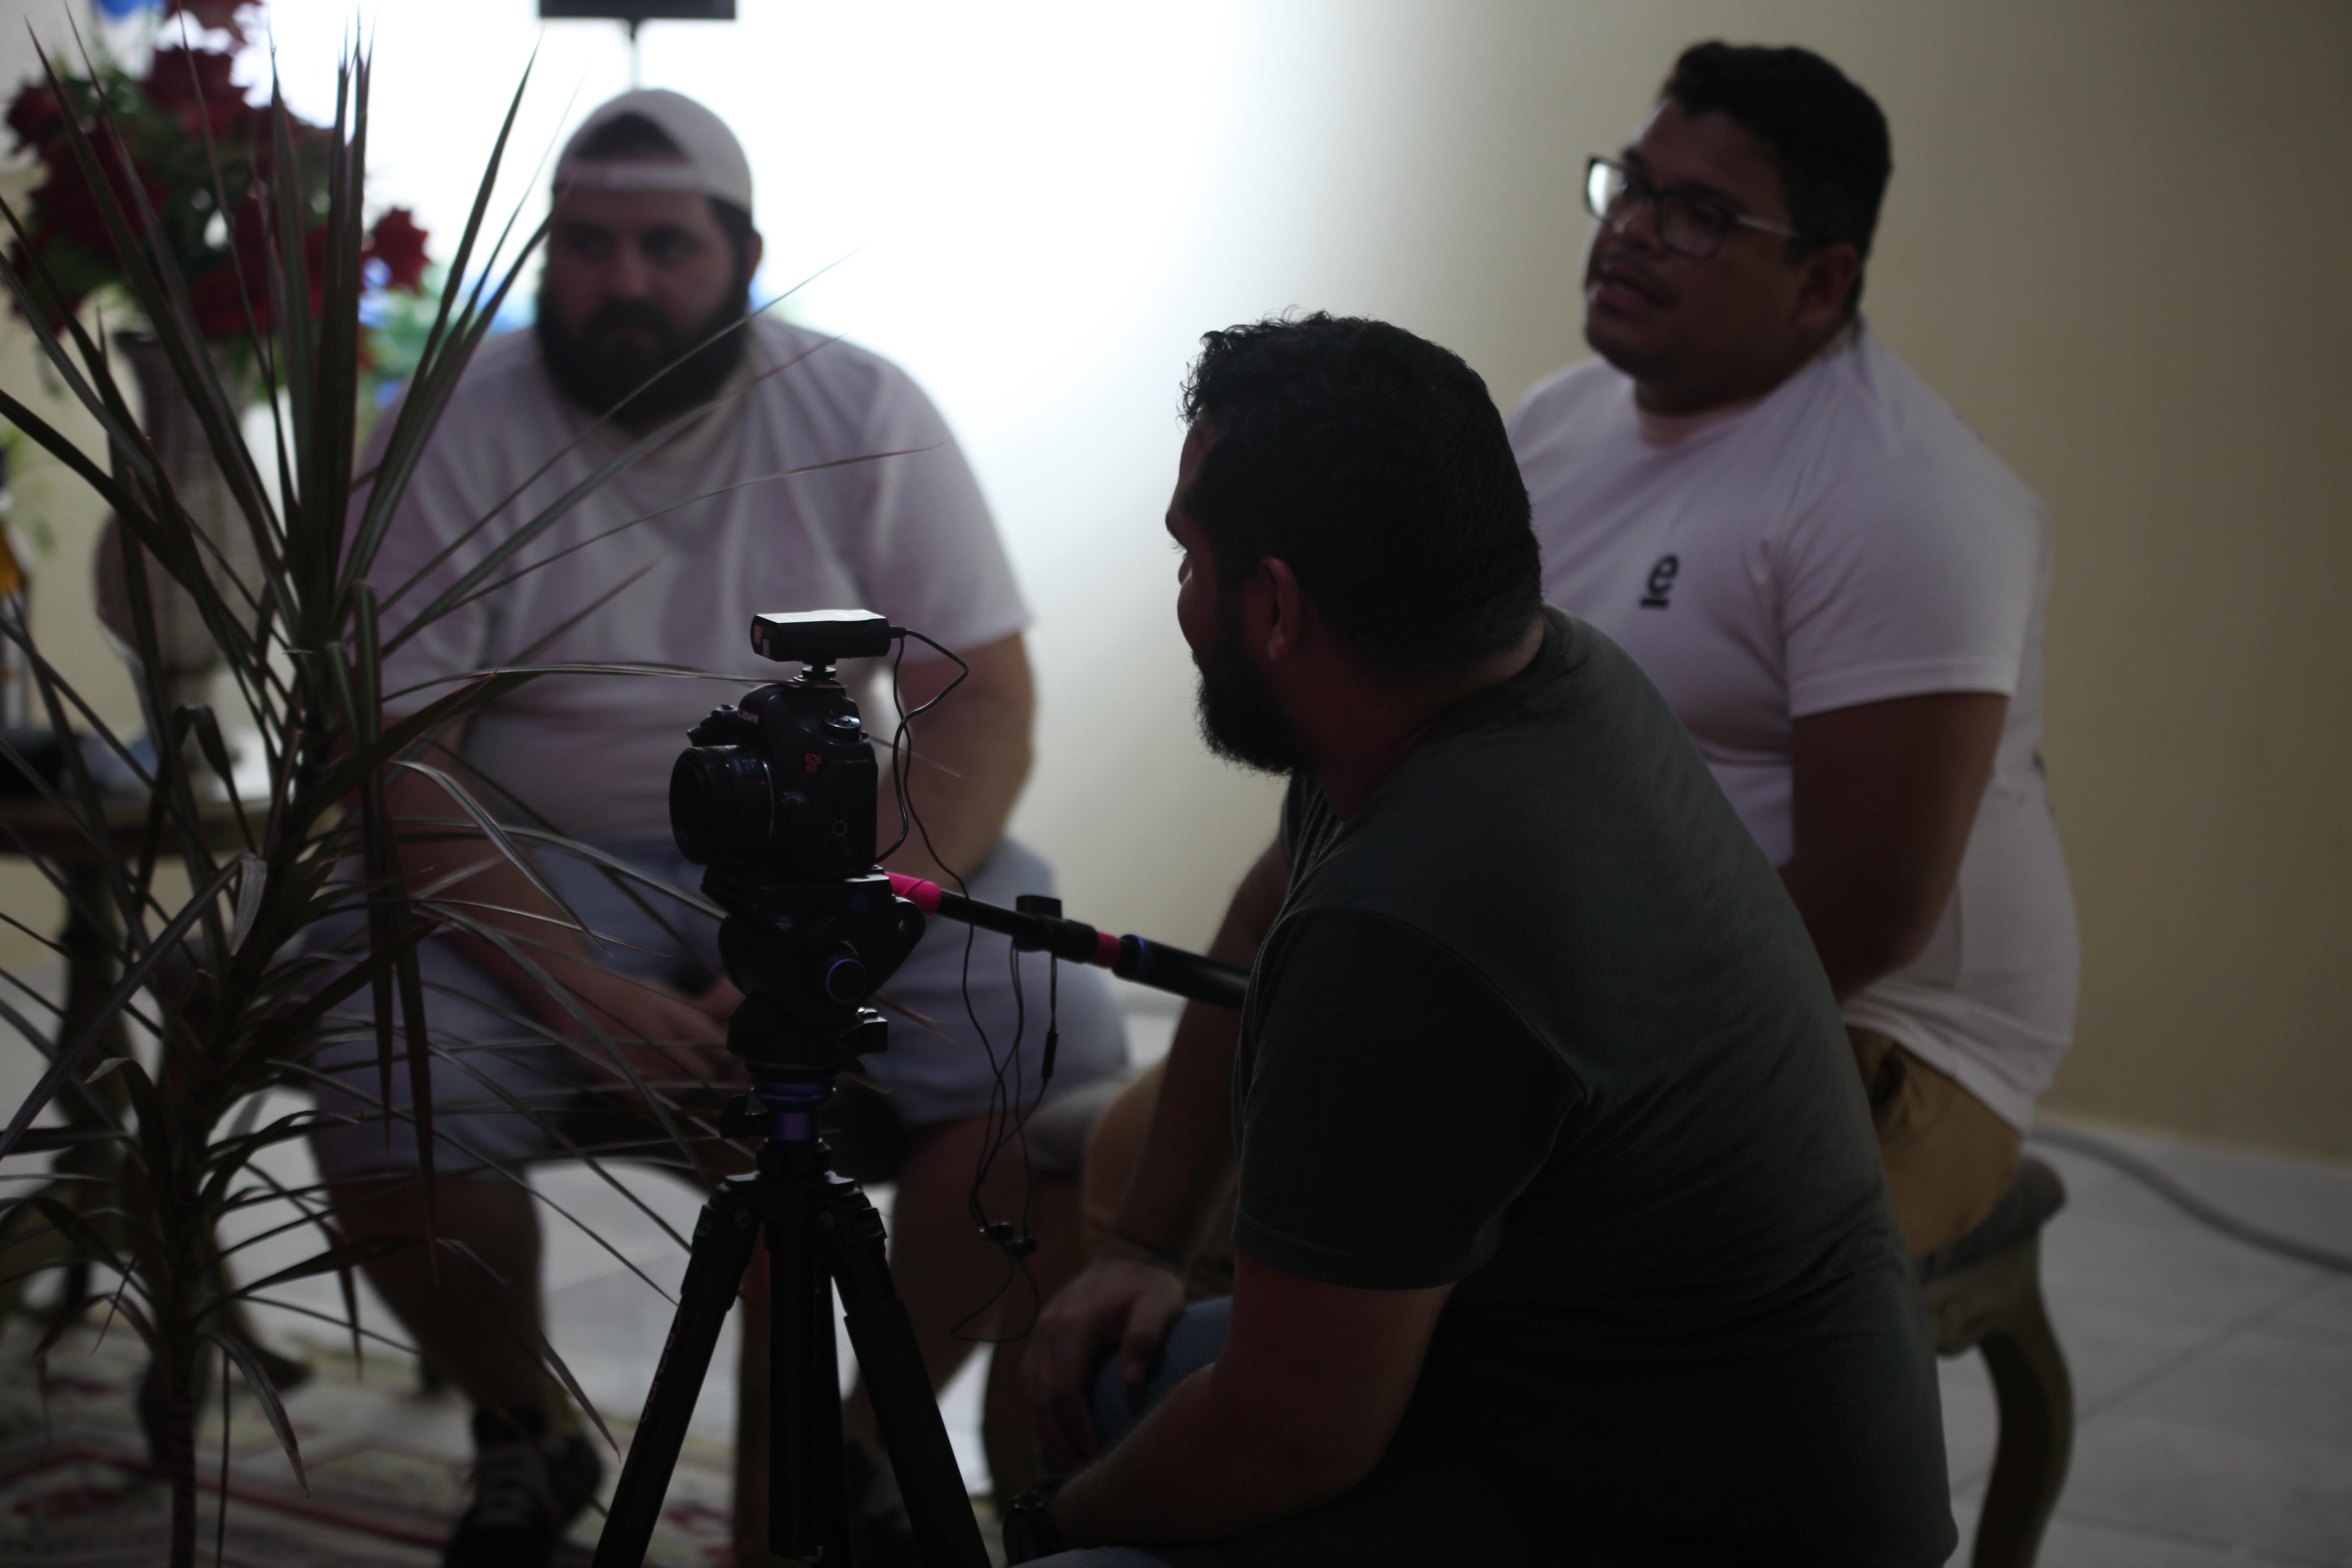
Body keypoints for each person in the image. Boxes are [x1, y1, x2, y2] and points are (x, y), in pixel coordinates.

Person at [304, 90, 1126, 1567]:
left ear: (744, 252)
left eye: (665, 246)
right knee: (378, 1069)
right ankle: (524, 1428)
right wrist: (575, 986)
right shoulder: (444, 426)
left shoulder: (859, 408)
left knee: (1043, 1023)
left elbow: (981, 702)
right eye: (586, 243)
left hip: (833, 863)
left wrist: (851, 918)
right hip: (540, 872)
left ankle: (860, 1450)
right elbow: (397, 762)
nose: (621, 280)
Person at [1011, 314, 1953, 1566]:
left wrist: (1046, 1528)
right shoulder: (1527, 678)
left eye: (1192, 556)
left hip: (1684, 1520)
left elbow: (1290, 1439)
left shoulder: (1406, 930)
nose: (1182, 596)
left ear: (1278, 606)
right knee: (1103, 1382)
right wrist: (1141, 1249)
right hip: (1620, 1417)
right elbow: (1257, 916)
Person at [1509, 42, 2080, 1258]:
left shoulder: (1903, 497)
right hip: (1577, 980)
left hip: (1888, 1029)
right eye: (1632, 185)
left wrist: (1567, 1048)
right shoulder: (1550, 428)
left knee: (1594, 1291)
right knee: (1182, 1174)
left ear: (1820, 283)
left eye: (1700, 216)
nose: (1633, 231)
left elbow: (1865, 909)